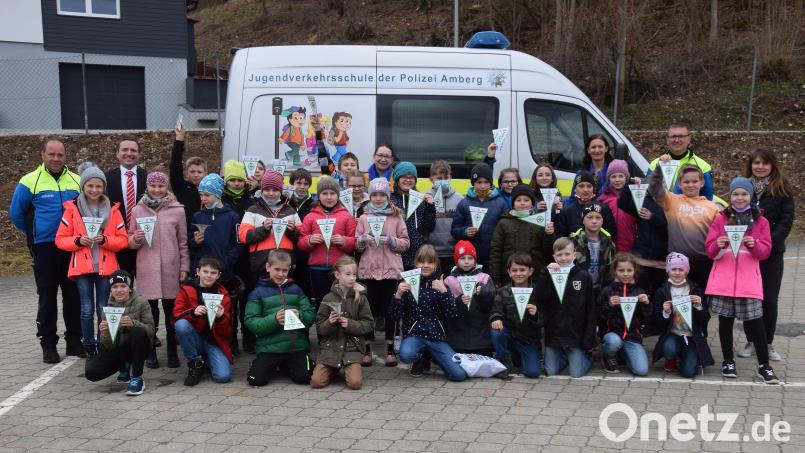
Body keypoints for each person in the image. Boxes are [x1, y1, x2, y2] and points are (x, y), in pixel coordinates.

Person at [9, 139, 82, 362]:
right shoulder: (30, 181)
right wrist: (35, 233)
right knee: (47, 296)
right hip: (44, 247)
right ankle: (48, 344)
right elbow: (17, 214)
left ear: (65, 156)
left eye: (60, 155)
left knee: (73, 296)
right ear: (43, 154)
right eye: (52, 154)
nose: (56, 159)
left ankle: (75, 342)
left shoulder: (77, 180)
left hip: (72, 246)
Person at [705, 177, 778, 384]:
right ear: (730, 196)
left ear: (751, 196)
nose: (739, 198)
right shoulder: (720, 218)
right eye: (735, 194)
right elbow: (709, 250)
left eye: (744, 194)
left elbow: (765, 252)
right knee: (725, 322)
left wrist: (754, 244)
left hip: (748, 282)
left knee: (756, 324)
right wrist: (718, 243)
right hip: (724, 281)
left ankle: (765, 365)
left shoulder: (761, 221)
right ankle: (728, 362)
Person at [55, 163, 129, 357]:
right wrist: (78, 241)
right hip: (82, 268)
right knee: (86, 309)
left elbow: (123, 240)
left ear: (103, 187)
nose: (94, 190)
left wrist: (105, 240)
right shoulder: (72, 210)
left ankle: (102, 341)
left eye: (98, 186)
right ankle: (88, 343)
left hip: (107, 268)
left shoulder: (113, 210)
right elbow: (60, 239)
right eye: (90, 186)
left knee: (102, 308)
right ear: (83, 186)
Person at [737, 148, 795, 362]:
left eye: (765, 163)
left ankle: (768, 343)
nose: (760, 167)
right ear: (750, 165)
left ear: (772, 165)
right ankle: (751, 341)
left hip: (772, 253)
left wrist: (768, 243)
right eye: (756, 163)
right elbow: (733, 215)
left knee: (769, 299)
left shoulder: (782, 188)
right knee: (749, 298)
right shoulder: (743, 187)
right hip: (746, 254)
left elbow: (786, 220)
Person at [127, 170, 189, 369]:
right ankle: (151, 352)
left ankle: (172, 352)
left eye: (160, 186)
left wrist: (185, 267)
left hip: (171, 268)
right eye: (153, 186)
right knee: (149, 315)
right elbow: (129, 239)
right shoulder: (138, 210)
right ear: (147, 186)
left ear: (166, 187)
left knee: (172, 314)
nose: (156, 190)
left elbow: (183, 242)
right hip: (147, 270)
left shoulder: (178, 210)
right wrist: (135, 240)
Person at [188, 173, 246, 354]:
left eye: (207, 195)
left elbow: (238, 244)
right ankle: (207, 342)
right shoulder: (198, 215)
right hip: (204, 275)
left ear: (218, 194)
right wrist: (195, 242)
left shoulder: (232, 217)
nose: (203, 199)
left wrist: (226, 263)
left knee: (228, 309)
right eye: (201, 195)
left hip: (225, 273)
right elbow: (190, 244)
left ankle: (231, 342)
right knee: (203, 306)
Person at [391, 245, 467, 381]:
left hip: (436, 338)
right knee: (406, 355)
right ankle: (420, 358)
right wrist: (398, 295)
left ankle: (433, 356)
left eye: (430, 262)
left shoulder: (441, 285)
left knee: (459, 375)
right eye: (422, 261)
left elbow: (452, 314)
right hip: (414, 336)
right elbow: (394, 316)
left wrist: (445, 293)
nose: (425, 265)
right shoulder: (407, 284)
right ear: (415, 263)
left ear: (436, 264)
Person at [355, 178, 410, 365]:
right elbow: (357, 245)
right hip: (369, 271)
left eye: (382, 195)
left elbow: (405, 242)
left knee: (390, 311)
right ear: (370, 196)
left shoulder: (396, 217)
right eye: (374, 195)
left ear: (388, 196)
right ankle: (367, 347)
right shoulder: (363, 218)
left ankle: (389, 348)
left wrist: (391, 240)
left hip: (390, 272)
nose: (378, 198)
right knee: (367, 311)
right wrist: (362, 239)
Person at [244, 250, 315, 386]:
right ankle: (270, 364)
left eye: (284, 270)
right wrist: (274, 320)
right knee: (255, 380)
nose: (280, 274)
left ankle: (286, 365)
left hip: (296, 348)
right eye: (276, 269)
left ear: (289, 269)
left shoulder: (296, 289)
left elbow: (311, 314)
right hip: (269, 348)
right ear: (267, 267)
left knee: (305, 378)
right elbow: (251, 321)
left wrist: (301, 316)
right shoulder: (257, 293)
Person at [648, 161, 718, 292]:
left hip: (703, 263)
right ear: (679, 184)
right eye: (686, 182)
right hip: (677, 263)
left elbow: (719, 234)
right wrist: (659, 168)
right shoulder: (672, 200)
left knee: (699, 302)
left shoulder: (712, 207)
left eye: (694, 181)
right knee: (677, 301)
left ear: (702, 183)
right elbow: (654, 187)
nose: (690, 185)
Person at [84, 270, 154, 396]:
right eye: (115, 287)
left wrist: (134, 323)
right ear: (110, 289)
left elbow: (151, 330)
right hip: (119, 348)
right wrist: (105, 333)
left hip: (140, 347)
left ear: (130, 288)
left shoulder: (142, 302)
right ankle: (124, 367)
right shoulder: (107, 308)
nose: (119, 290)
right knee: (91, 372)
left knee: (137, 332)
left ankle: (137, 378)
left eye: (123, 286)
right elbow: (110, 345)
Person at [311, 256, 374, 390]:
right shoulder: (328, 297)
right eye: (348, 274)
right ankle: (334, 367)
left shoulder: (361, 298)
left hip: (353, 348)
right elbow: (319, 328)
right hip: (330, 347)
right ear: (337, 275)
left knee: (355, 384)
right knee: (316, 382)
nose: (352, 278)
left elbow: (369, 324)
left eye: (354, 274)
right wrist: (330, 322)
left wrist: (350, 324)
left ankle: (346, 367)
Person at [538, 238, 596, 378]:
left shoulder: (583, 276)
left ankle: (586, 358)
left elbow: (590, 307)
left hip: (575, 332)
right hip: (554, 331)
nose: (563, 258)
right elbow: (540, 297)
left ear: (574, 255)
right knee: (551, 372)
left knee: (576, 374)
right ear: (554, 257)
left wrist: (589, 336)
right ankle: (564, 357)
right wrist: (546, 274)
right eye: (559, 255)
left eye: (567, 254)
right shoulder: (548, 274)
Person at [297, 176, 357, 308]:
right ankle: (322, 327)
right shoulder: (310, 217)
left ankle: (341, 327)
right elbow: (301, 243)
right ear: (318, 195)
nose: (329, 197)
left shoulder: (346, 216)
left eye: (332, 193)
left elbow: (354, 242)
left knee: (341, 302)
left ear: (338, 195)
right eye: (324, 193)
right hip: (317, 268)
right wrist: (310, 240)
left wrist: (344, 241)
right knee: (322, 302)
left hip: (341, 269)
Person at [173, 256, 234, 385]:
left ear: (219, 275)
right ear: (198, 271)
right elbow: (175, 318)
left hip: (214, 340)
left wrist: (221, 318)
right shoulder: (186, 289)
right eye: (205, 272)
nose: (208, 276)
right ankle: (195, 364)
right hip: (194, 337)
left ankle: (205, 360)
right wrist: (192, 312)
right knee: (181, 325)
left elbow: (228, 331)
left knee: (223, 377)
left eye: (213, 273)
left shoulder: (223, 295)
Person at [651, 252, 713, 378]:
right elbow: (656, 322)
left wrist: (699, 307)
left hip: (691, 336)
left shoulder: (696, 290)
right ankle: (671, 357)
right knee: (669, 348)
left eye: (681, 269)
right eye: (673, 269)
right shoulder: (661, 291)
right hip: (672, 334)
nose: (677, 272)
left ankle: (687, 354)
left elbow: (705, 320)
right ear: (668, 271)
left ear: (687, 271)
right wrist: (666, 312)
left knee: (688, 372)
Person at [489, 252, 546, 379]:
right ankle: (504, 360)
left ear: (530, 271)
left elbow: (544, 319)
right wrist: (496, 318)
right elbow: (496, 309)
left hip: (528, 340)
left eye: (522, 270)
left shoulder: (537, 291)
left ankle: (517, 357)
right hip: (510, 336)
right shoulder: (503, 291)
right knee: (496, 331)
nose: (518, 273)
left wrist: (536, 314)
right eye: (514, 270)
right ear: (509, 272)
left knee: (532, 373)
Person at [238, 170, 299, 281]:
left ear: (280, 191)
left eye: (275, 190)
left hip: (285, 266)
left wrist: (292, 231)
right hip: (261, 265)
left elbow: (300, 237)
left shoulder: (291, 211)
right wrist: (263, 229)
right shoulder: (253, 210)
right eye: (267, 190)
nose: (271, 193)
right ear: (261, 190)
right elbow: (243, 236)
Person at [489, 184, 554, 287]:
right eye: (518, 200)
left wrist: (549, 235)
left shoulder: (541, 221)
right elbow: (496, 251)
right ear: (513, 203)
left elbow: (547, 251)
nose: (522, 203)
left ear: (532, 203)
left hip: (536, 275)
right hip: (509, 276)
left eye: (526, 200)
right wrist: (495, 277)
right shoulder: (503, 222)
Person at [598, 253, 651, 375]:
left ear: (634, 271)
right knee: (614, 342)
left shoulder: (639, 291)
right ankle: (608, 356)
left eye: (629, 270)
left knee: (641, 370)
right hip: (612, 335)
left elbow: (646, 319)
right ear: (615, 271)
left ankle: (622, 355)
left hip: (632, 337)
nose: (626, 274)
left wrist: (646, 304)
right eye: (621, 270)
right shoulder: (607, 290)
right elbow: (599, 317)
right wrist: (609, 306)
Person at [618, 175, 668, 301]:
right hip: (641, 257)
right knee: (640, 293)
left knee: (659, 294)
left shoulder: (669, 203)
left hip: (661, 258)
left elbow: (668, 230)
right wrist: (629, 185)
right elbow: (622, 204)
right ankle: (641, 318)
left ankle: (656, 319)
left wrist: (653, 218)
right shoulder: (643, 200)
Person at [451, 163, 508, 269]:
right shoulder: (464, 203)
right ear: (473, 183)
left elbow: (505, 230)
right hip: (468, 258)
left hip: (492, 256)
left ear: (491, 183)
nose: (482, 186)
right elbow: (454, 230)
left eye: (486, 182)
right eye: (479, 182)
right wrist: (464, 232)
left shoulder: (501, 203)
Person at [444, 241, 495, 356]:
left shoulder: (484, 278)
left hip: (481, 338)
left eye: (470, 258)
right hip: (457, 338)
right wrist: (459, 301)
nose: (466, 261)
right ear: (456, 261)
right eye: (462, 258)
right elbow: (446, 307)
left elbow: (490, 303)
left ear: (475, 260)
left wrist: (483, 292)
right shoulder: (449, 280)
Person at [105, 138, 147, 276]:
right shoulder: (106, 179)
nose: (129, 153)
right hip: (117, 240)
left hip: (143, 239)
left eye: (133, 150)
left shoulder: (148, 179)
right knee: (121, 285)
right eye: (124, 150)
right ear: (117, 153)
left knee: (144, 287)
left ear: (139, 154)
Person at [646, 124, 714, 200]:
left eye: (681, 136)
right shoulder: (655, 164)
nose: (677, 140)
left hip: (689, 211)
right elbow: (648, 193)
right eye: (673, 136)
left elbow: (708, 199)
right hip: (659, 211)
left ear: (689, 139)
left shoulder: (703, 166)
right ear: (667, 140)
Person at [390, 162, 436, 269]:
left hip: (417, 254)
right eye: (404, 177)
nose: (408, 180)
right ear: (397, 179)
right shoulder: (390, 199)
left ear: (415, 180)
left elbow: (429, 227)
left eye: (411, 177)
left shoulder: (422, 199)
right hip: (396, 253)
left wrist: (430, 207)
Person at [426, 160, 464, 274]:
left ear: (450, 178)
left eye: (445, 177)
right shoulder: (425, 199)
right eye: (439, 178)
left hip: (454, 252)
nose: (443, 181)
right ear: (431, 179)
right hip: (433, 253)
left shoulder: (460, 199)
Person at [570, 202, 615, 294]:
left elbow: (611, 270)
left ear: (602, 221)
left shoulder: (609, 243)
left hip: (601, 290)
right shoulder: (574, 241)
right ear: (583, 220)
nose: (594, 221)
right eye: (589, 217)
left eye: (598, 217)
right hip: (578, 290)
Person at [555, 171, 617, 238]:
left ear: (593, 189)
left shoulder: (603, 209)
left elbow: (611, 234)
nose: (585, 190)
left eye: (589, 186)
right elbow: (561, 237)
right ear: (575, 189)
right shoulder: (566, 212)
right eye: (581, 186)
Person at [169, 123, 206, 227]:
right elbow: (175, 166)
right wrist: (179, 140)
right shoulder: (181, 187)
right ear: (186, 173)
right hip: (186, 231)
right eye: (192, 172)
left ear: (205, 174)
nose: (196, 175)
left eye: (199, 172)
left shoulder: (211, 189)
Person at [598, 159, 636, 252]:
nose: (617, 180)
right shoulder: (602, 200)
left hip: (631, 246)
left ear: (626, 178)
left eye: (621, 176)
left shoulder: (634, 197)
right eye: (613, 176)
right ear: (609, 179)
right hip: (609, 248)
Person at [569, 135, 613, 201]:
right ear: (588, 150)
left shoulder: (613, 171)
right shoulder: (581, 173)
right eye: (593, 147)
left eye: (600, 147)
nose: (597, 150)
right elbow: (573, 198)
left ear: (606, 149)